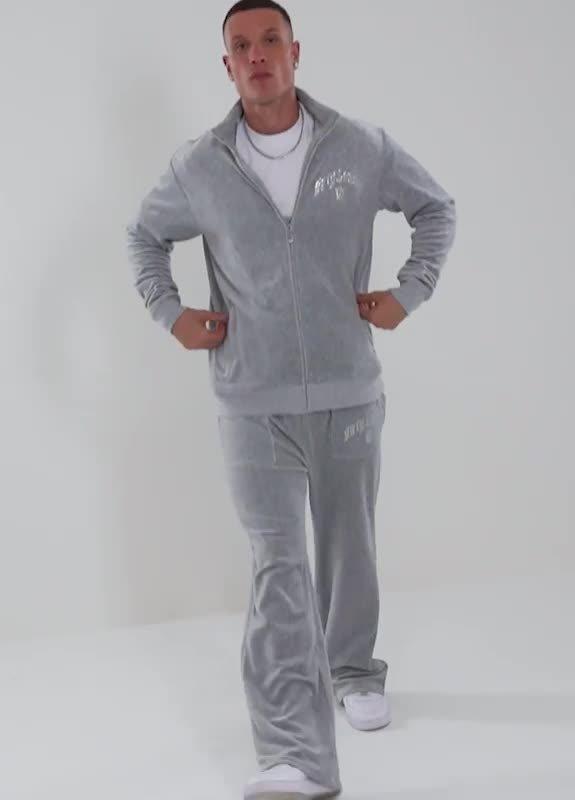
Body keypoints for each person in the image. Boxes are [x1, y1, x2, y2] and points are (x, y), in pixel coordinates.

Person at [125, 1, 457, 796]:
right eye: (241, 46)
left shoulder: (361, 146)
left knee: (348, 544)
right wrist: (170, 314)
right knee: (278, 566)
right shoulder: (199, 166)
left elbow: (435, 208)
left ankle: (354, 669)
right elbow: (143, 237)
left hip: (349, 394)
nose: (257, 55)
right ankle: (294, 755)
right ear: (228, 66)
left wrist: (409, 292)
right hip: (252, 402)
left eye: (270, 40)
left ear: (295, 52)